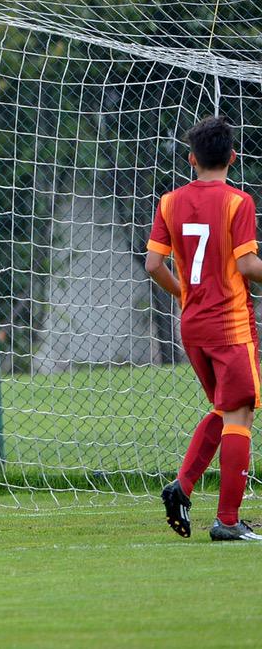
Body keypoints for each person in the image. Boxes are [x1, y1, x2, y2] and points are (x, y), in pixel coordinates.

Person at [147, 116, 262, 542]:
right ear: (233, 157)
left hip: (192, 326)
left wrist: (183, 295)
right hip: (230, 325)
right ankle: (228, 521)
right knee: (240, 413)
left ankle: (182, 486)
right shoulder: (239, 202)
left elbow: (153, 265)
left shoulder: (169, 202)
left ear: (192, 158)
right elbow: (248, 265)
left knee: (223, 407)